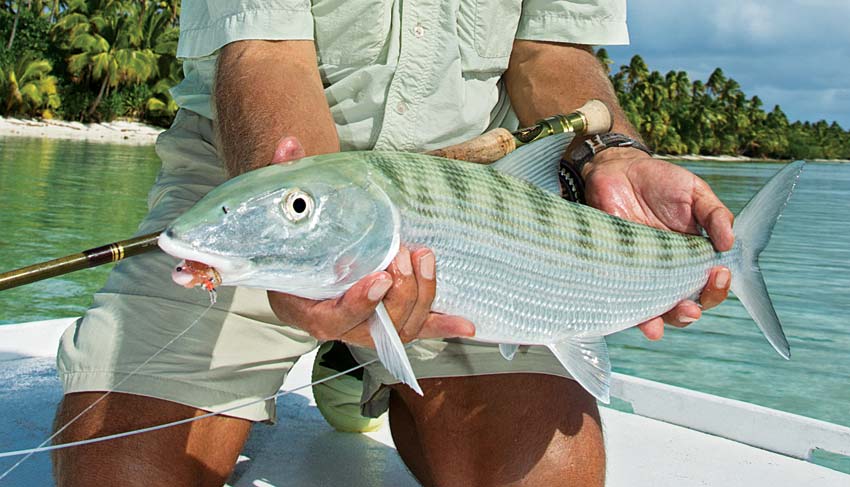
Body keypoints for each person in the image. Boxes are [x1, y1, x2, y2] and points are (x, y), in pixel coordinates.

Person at [52, 0, 733, 485]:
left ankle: (364, 371)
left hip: (477, 199)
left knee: (547, 475)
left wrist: (613, 156)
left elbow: (550, 50)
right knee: (122, 471)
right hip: (257, 172)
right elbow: (263, 48)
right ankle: (349, 352)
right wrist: (308, 241)